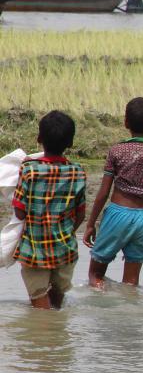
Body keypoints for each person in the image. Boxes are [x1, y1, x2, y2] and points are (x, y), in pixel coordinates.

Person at [83, 98, 143, 289]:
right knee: (131, 284)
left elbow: (103, 193)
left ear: (126, 122)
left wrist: (90, 224)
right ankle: (129, 312)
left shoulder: (117, 151)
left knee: (95, 275)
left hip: (117, 215)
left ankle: (101, 301)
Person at [11, 111, 86, 310]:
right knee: (56, 303)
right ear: (70, 143)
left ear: (39, 138)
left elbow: (19, 212)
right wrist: (65, 230)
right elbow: (81, 214)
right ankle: (56, 338)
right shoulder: (77, 172)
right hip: (65, 250)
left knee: (40, 307)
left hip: (34, 251)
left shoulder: (29, 170)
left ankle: (45, 338)